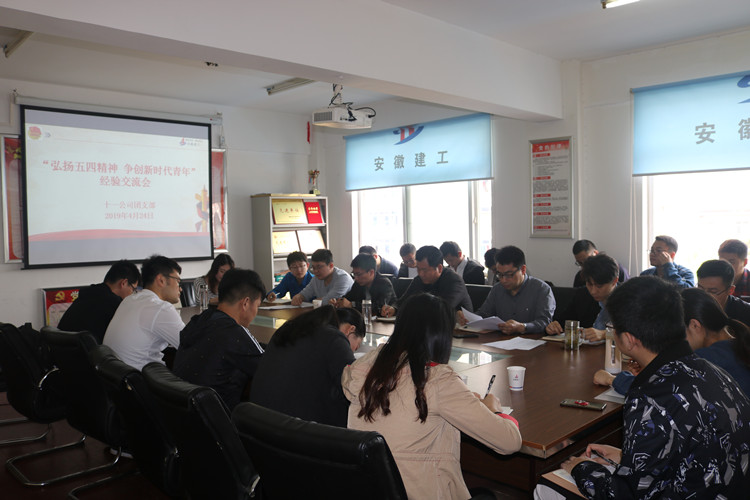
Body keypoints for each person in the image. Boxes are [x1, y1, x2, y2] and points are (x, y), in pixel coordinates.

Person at [555, 276, 750, 499]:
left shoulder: (651, 395)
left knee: (547, 486)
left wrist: (580, 468)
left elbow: (625, 494)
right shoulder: (711, 369)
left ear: (629, 340)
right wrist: (626, 457)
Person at [343, 293, 522, 500]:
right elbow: (509, 442)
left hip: (370, 490)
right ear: (441, 336)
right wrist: (494, 411)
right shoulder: (437, 380)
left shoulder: (366, 368)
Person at [596, 287, 750, 398]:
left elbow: (655, 391)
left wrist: (612, 379)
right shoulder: (736, 342)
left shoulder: (706, 359)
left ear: (695, 326)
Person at [250, 306, 364, 427]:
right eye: (356, 346)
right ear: (350, 330)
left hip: (259, 421)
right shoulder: (335, 338)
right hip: (294, 430)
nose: (352, 351)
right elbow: (353, 387)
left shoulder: (291, 330)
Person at [173, 268, 266, 410]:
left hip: (182, 412)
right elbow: (269, 368)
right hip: (220, 418)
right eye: (257, 305)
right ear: (246, 303)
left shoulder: (199, 320)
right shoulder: (235, 332)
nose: (256, 312)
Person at [103, 255, 185, 370]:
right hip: (143, 378)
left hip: (116, 376)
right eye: (177, 281)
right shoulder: (160, 308)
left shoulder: (129, 300)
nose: (180, 288)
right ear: (161, 280)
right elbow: (192, 347)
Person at [462, 245, 554, 334]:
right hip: (500, 341)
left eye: (509, 275)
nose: (503, 280)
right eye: (499, 274)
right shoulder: (497, 289)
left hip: (532, 342)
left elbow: (545, 322)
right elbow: (484, 313)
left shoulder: (542, 289)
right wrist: (467, 318)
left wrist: (523, 327)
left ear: (523, 270)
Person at [57, 259, 141, 343]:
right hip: (83, 351)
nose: (132, 293)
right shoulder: (114, 304)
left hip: (59, 349)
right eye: (133, 289)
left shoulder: (88, 294)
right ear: (124, 283)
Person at [381, 245, 472, 317]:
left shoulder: (454, 281)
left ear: (439, 268)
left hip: (462, 330)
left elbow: (441, 309)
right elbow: (404, 300)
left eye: (425, 270)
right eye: (418, 269)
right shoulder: (420, 279)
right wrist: (393, 308)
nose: (421, 274)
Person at [547, 254, 619, 342]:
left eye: (599, 286)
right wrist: (553, 326)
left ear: (614, 281)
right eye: (589, 284)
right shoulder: (583, 295)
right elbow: (564, 321)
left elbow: (631, 333)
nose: (593, 291)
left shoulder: (628, 298)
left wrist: (604, 334)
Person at [332, 253, 396, 313]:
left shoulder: (384, 283)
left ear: (371, 272)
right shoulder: (358, 283)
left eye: (358, 274)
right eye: (354, 274)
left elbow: (379, 307)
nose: (356, 278)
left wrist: (352, 305)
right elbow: (348, 298)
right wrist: (338, 301)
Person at [696, 259, 750, 326]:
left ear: (730, 290)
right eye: (700, 289)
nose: (704, 296)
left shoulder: (746, 314)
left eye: (712, 291)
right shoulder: (689, 308)